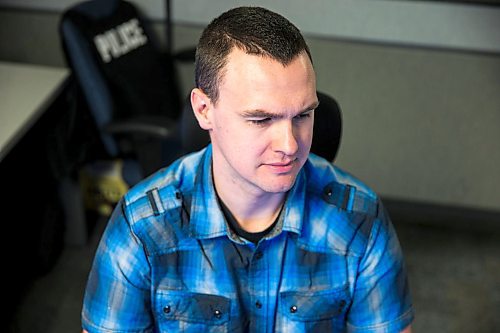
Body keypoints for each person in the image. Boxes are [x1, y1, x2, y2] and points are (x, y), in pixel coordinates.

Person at [82, 6, 414, 333]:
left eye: (302, 116)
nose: (290, 144)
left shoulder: (359, 222)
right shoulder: (143, 227)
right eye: (260, 119)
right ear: (204, 110)